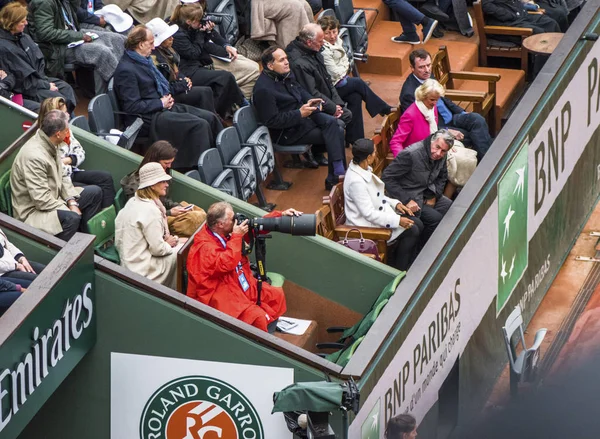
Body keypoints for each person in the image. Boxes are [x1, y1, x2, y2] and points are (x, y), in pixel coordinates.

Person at [113, 25, 220, 171]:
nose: (153, 46)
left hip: (162, 108)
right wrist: (160, 103)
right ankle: (200, 171)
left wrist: (165, 99)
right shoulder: (126, 70)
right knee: (199, 125)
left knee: (209, 118)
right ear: (141, 44)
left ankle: (221, 158)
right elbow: (131, 107)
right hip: (148, 118)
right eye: (150, 43)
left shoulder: (144, 61)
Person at [186, 201, 296, 331]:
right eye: (232, 219)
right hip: (217, 294)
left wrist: (280, 216)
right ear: (220, 224)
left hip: (237, 281)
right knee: (257, 317)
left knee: (275, 296)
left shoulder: (225, 232)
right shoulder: (204, 247)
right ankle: (262, 346)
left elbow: (252, 230)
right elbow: (226, 263)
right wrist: (237, 236)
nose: (236, 221)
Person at [253, 46, 347, 190]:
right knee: (337, 128)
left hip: (303, 119)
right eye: (281, 60)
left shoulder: (285, 74)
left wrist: (312, 101)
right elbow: (272, 121)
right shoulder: (263, 89)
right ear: (270, 65)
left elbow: (301, 91)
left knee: (335, 123)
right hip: (287, 132)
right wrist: (299, 113)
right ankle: (337, 175)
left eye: (286, 58)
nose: (286, 62)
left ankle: (336, 175)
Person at [11, 110, 103, 241]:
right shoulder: (34, 157)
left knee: (95, 192)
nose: (68, 133)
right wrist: (68, 208)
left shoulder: (50, 142)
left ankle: (87, 241)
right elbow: (41, 200)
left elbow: (62, 175)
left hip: (54, 197)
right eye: (67, 130)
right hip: (32, 213)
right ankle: (64, 253)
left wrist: (71, 201)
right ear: (58, 134)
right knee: (71, 218)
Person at [400, 49, 492, 161]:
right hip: (440, 126)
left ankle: (487, 159)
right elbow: (419, 125)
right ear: (412, 68)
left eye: (429, 65)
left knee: (477, 119)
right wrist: (447, 131)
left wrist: (461, 112)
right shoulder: (409, 94)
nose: (427, 70)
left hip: (451, 116)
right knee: (471, 135)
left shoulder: (428, 75)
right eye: (421, 67)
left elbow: (444, 99)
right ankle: (488, 161)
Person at [345, 139, 421, 271]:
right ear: (368, 157)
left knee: (418, 222)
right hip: (365, 225)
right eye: (374, 152)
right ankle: (397, 270)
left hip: (376, 215)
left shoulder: (362, 169)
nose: (376, 154)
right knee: (412, 231)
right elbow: (368, 213)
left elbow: (376, 196)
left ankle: (405, 260)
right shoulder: (356, 182)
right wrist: (397, 220)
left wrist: (396, 204)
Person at [27, 0, 126, 94]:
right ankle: (108, 97)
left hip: (72, 34)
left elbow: (75, 11)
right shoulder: (44, 2)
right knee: (101, 52)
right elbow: (46, 33)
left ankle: (126, 80)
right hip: (56, 48)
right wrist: (78, 36)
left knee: (116, 38)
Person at [318, 16, 393, 141]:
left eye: (334, 31)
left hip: (343, 81)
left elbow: (347, 62)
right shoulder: (324, 50)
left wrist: (344, 67)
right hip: (332, 88)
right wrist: (344, 68)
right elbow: (335, 72)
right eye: (327, 33)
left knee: (355, 97)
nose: (332, 36)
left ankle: (355, 139)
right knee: (358, 82)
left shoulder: (338, 42)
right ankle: (383, 108)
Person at [115, 162, 185, 289]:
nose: (166, 184)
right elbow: (158, 249)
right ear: (153, 185)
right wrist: (172, 242)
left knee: (182, 243)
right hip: (143, 272)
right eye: (163, 181)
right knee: (182, 252)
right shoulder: (150, 211)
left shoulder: (133, 201)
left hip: (130, 263)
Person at [170, 2, 246, 117]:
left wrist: (219, 40)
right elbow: (193, 53)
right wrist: (200, 33)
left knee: (222, 81)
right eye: (199, 20)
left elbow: (210, 36)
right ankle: (239, 105)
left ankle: (227, 109)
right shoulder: (177, 34)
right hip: (187, 71)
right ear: (189, 21)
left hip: (196, 65)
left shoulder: (191, 24)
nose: (202, 21)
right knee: (225, 77)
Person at [38, 97, 116, 209]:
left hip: (72, 172)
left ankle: (107, 215)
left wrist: (68, 160)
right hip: (61, 183)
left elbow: (80, 152)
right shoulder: (45, 138)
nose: (68, 116)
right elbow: (56, 171)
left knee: (105, 178)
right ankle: (92, 224)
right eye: (64, 114)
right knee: (94, 190)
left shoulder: (66, 130)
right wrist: (65, 163)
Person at [285, 24, 355, 144]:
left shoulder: (314, 49)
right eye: (321, 41)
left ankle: (355, 142)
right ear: (308, 42)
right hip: (312, 106)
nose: (323, 43)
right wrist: (333, 108)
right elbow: (312, 93)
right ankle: (324, 151)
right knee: (342, 119)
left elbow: (327, 80)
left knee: (354, 97)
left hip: (325, 97)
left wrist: (337, 104)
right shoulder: (299, 63)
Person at [120, 140, 207, 237]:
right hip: (156, 221)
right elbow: (144, 215)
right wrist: (169, 212)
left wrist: (176, 206)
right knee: (195, 218)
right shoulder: (136, 184)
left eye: (171, 163)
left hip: (164, 211)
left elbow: (163, 200)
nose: (169, 166)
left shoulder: (164, 172)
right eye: (166, 163)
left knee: (196, 210)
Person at [0, 3, 77, 112]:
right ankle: (63, 123)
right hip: (25, 89)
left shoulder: (24, 37)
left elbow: (39, 65)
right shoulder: (4, 48)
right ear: (12, 23)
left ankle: (70, 121)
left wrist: (45, 82)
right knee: (58, 100)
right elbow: (21, 79)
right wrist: (46, 85)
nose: (26, 23)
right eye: (22, 21)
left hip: (38, 80)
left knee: (66, 88)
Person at [382, 130, 453, 245]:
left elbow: (442, 177)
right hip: (408, 197)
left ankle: (438, 244)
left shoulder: (442, 156)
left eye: (443, 151)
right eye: (437, 147)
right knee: (435, 219)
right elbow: (387, 178)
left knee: (450, 208)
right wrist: (406, 200)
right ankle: (422, 251)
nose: (438, 153)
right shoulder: (411, 154)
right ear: (432, 141)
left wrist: (434, 196)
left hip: (426, 192)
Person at [146, 17, 218, 114]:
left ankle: (214, 118)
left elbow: (176, 70)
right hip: (170, 95)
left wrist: (184, 78)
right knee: (203, 93)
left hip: (178, 85)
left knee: (207, 91)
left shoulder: (168, 50)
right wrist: (182, 84)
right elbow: (163, 86)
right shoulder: (155, 59)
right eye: (168, 38)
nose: (172, 39)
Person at [391, 79, 446, 157]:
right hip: (417, 156)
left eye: (437, 100)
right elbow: (395, 142)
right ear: (423, 96)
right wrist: (403, 161)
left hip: (432, 150)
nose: (435, 103)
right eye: (432, 100)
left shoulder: (432, 107)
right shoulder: (410, 115)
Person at [249, 0, 315, 48]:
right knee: (294, 6)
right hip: (258, 3)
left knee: (305, 4)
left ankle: (311, 43)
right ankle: (292, 51)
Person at [481, 0, 561, 34]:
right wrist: (508, 15)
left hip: (521, 15)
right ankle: (544, 66)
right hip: (505, 22)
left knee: (551, 23)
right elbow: (486, 5)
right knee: (538, 32)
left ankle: (560, 57)